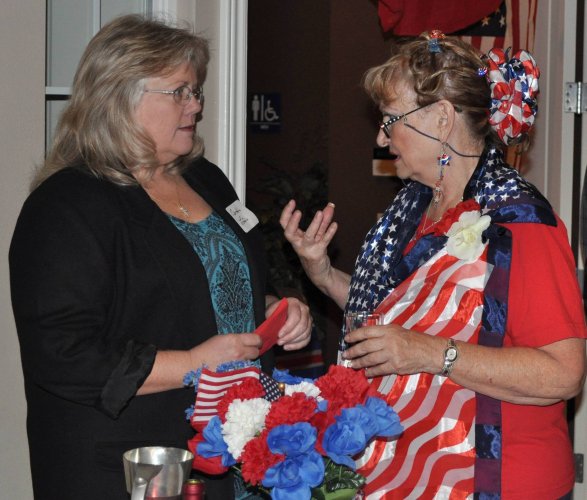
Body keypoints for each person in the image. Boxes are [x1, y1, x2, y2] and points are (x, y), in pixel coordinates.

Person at [9, 14, 312, 500]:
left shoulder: (207, 179)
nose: (196, 104)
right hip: (128, 465)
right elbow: (62, 354)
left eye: (196, 91)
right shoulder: (66, 205)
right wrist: (193, 362)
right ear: (119, 98)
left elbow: (222, 281)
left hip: (237, 453)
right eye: (179, 92)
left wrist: (275, 309)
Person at [280, 31, 587, 499]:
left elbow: (563, 373)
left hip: (497, 479)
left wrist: (430, 353)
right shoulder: (414, 209)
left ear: (442, 119)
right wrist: (321, 272)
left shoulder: (520, 224)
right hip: (411, 471)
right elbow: (396, 320)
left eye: (391, 120)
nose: (381, 137)